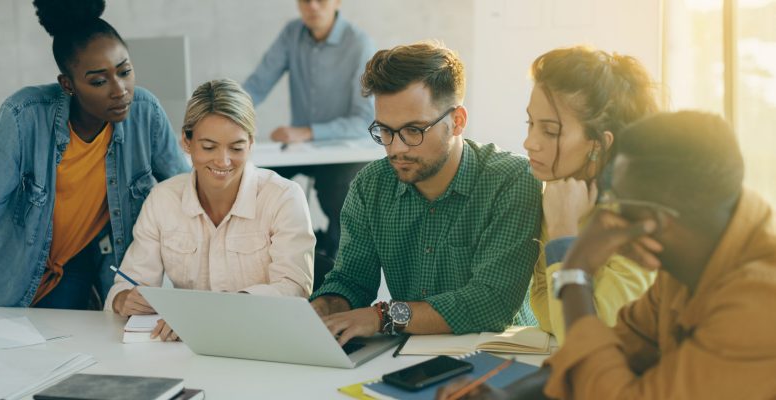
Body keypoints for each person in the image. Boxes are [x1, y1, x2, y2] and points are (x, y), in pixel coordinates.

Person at [436, 111, 776, 400]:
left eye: (618, 205)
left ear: (653, 222)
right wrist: (508, 397)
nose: (607, 215)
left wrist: (575, 272)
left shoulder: (760, 302)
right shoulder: (689, 260)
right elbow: (611, 353)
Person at [0, 0, 188, 325]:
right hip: (8, 276)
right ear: (68, 85)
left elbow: (187, 193)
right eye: (98, 81)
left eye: (125, 71)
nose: (120, 90)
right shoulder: (24, 116)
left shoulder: (145, 112)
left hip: (72, 271)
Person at [310, 41, 543, 345]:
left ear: (457, 121)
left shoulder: (512, 181)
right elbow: (351, 280)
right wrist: (325, 308)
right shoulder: (370, 186)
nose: (396, 148)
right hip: (408, 358)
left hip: (498, 357)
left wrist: (384, 316)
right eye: (385, 130)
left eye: (413, 130)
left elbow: (490, 303)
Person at [104, 79, 316, 341]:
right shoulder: (163, 200)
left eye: (236, 147)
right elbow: (128, 282)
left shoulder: (283, 197)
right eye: (208, 147)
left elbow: (294, 288)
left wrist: (208, 314)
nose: (223, 161)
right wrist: (124, 298)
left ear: (251, 143)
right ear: (186, 141)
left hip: (262, 340)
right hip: (187, 350)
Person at [524, 46, 659, 342]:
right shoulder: (559, 192)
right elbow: (546, 309)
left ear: (598, 144)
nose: (529, 142)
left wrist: (563, 234)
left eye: (550, 131)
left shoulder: (639, 219)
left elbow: (585, 337)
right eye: (530, 123)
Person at [243, 0, 375, 260]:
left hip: (343, 151)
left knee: (336, 190)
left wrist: (307, 131)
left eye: (321, 0)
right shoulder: (292, 33)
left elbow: (363, 119)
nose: (312, 6)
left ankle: (337, 258)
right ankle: (261, 253)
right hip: (300, 151)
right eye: (305, 0)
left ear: (337, 2)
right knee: (253, 179)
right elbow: (257, 85)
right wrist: (225, 115)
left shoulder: (359, 43)